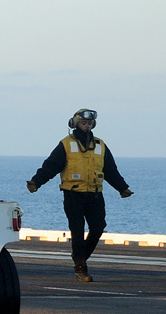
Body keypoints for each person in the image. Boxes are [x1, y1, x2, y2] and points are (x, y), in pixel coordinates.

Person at [26, 108, 133, 283]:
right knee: (77, 231)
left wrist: (122, 188)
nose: (87, 126)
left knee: (98, 228)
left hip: (95, 195)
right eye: (84, 123)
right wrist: (36, 182)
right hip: (73, 194)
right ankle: (81, 269)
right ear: (75, 124)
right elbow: (51, 166)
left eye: (89, 123)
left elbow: (111, 171)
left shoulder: (100, 145)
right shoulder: (66, 144)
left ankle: (79, 257)